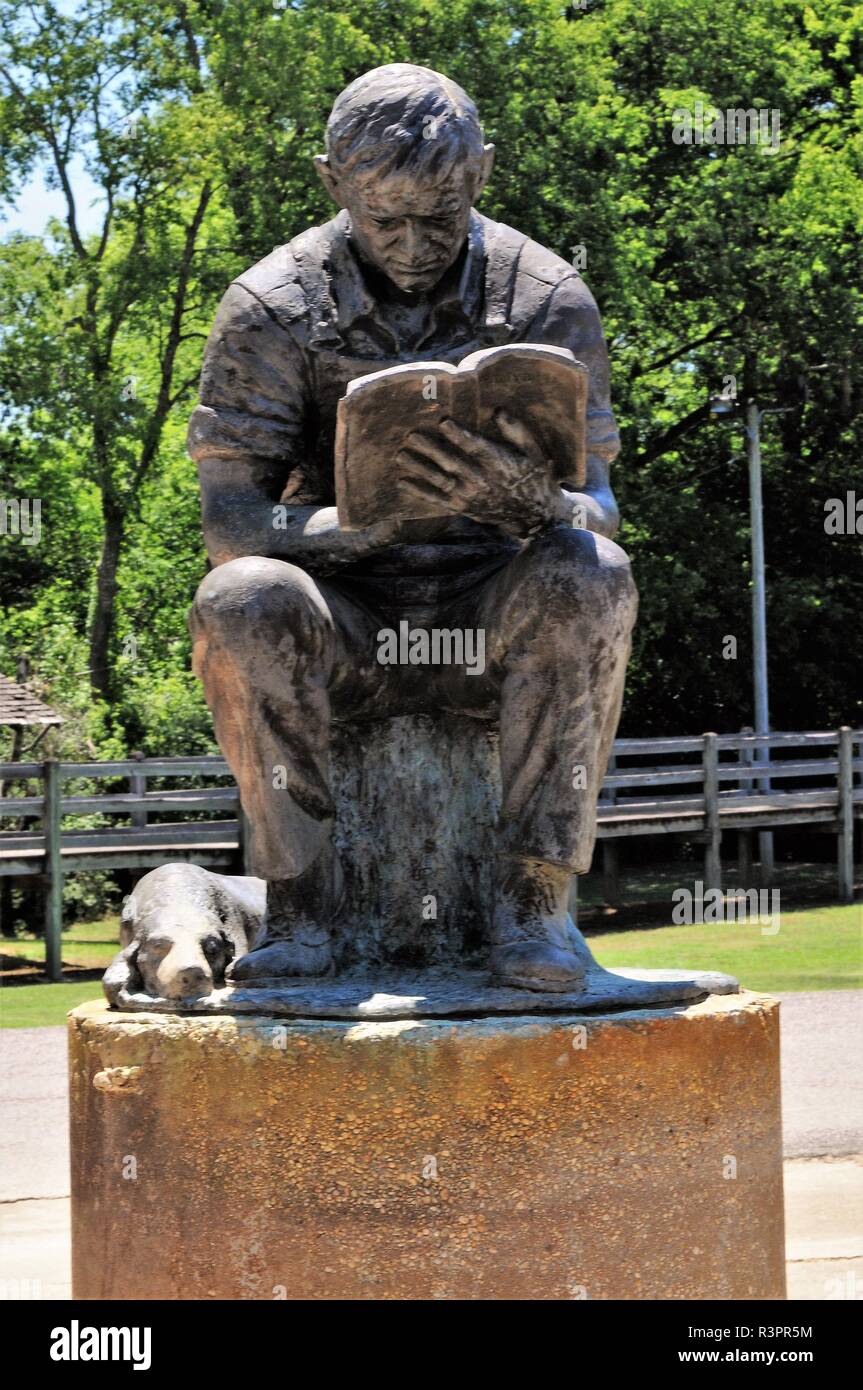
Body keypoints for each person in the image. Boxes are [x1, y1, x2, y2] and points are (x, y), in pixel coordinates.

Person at [188, 64, 637, 991]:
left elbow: (600, 505)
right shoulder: (271, 306)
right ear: (332, 184)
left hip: (493, 618)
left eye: (438, 216)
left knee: (590, 569)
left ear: (480, 176)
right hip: (345, 624)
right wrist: (352, 525)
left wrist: (542, 508)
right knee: (241, 596)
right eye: (383, 219)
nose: (412, 245)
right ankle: (301, 914)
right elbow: (231, 522)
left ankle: (534, 911)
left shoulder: (548, 294)